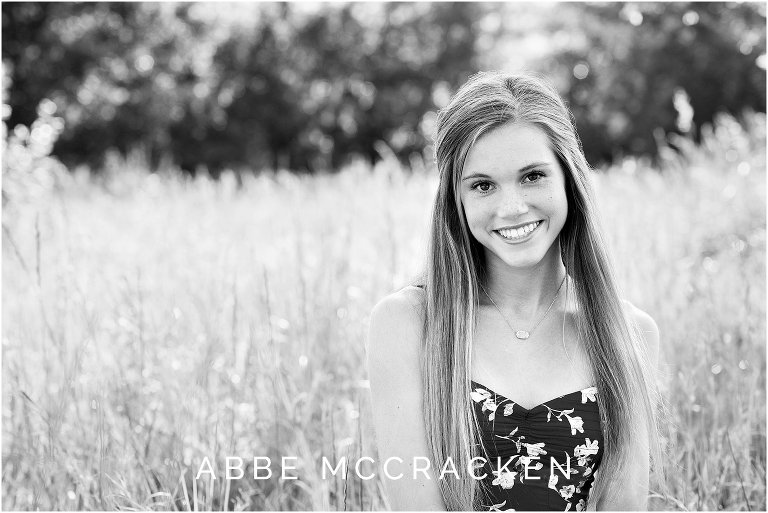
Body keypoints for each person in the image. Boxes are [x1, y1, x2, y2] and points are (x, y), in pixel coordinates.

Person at [366, 71, 666, 511]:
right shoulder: (408, 324)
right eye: (483, 185)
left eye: (532, 177)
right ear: (457, 199)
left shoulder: (628, 332)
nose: (511, 208)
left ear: (569, 178)